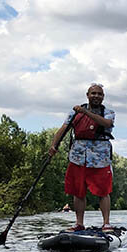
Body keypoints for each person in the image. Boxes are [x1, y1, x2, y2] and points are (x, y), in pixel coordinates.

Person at [49, 83, 116, 231]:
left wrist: (85, 113)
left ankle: (106, 223)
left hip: (100, 158)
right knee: (77, 191)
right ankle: (79, 224)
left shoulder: (108, 113)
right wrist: (54, 145)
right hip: (78, 157)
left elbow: (106, 123)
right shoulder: (74, 113)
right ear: (87, 95)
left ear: (103, 97)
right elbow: (63, 129)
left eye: (99, 94)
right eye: (93, 93)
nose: (96, 96)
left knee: (103, 191)